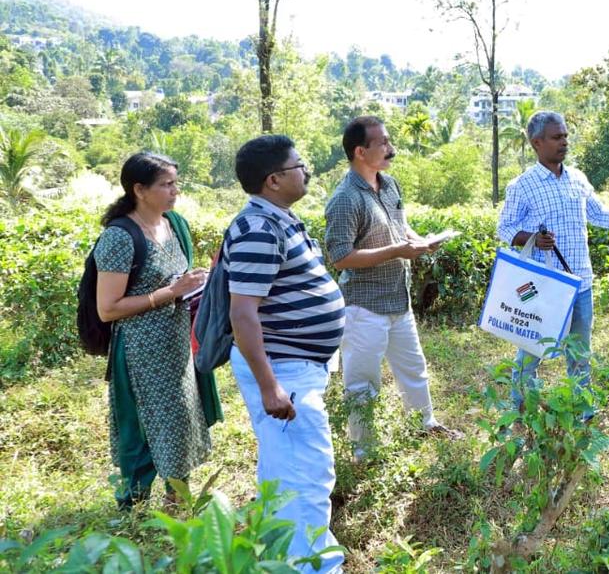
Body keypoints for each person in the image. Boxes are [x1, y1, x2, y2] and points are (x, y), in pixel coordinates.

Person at [226, 135, 346, 573]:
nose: (306, 170)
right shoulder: (258, 229)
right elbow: (243, 314)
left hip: (297, 367)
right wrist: (270, 386)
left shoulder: (280, 219)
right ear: (274, 179)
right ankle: (311, 567)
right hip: (283, 372)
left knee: (287, 473)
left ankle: (285, 560)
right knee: (306, 476)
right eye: (299, 165)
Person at [496, 110, 609, 410]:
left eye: (565, 136)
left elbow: (601, 216)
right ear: (536, 143)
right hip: (544, 284)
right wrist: (532, 237)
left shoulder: (577, 179)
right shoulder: (522, 185)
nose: (564, 142)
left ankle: (582, 410)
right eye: (556, 137)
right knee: (532, 348)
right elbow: (505, 228)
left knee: (580, 353)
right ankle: (519, 408)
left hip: (580, 282)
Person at [324, 115, 461, 461]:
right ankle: (363, 452)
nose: (391, 149)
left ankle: (424, 424)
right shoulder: (344, 199)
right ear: (359, 151)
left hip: (398, 301)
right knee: (362, 384)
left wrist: (422, 242)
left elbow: (402, 227)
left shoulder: (389, 185)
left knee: (414, 369)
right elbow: (341, 257)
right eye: (383, 143)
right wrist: (398, 251)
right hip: (364, 306)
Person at [94, 152, 211, 509]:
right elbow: (108, 308)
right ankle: (133, 507)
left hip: (175, 345)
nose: (175, 190)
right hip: (141, 353)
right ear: (139, 190)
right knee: (144, 427)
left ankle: (177, 502)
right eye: (167, 184)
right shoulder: (119, 237)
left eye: (176, 182)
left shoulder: (174, 224)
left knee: (179, 421)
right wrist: (169, 293)